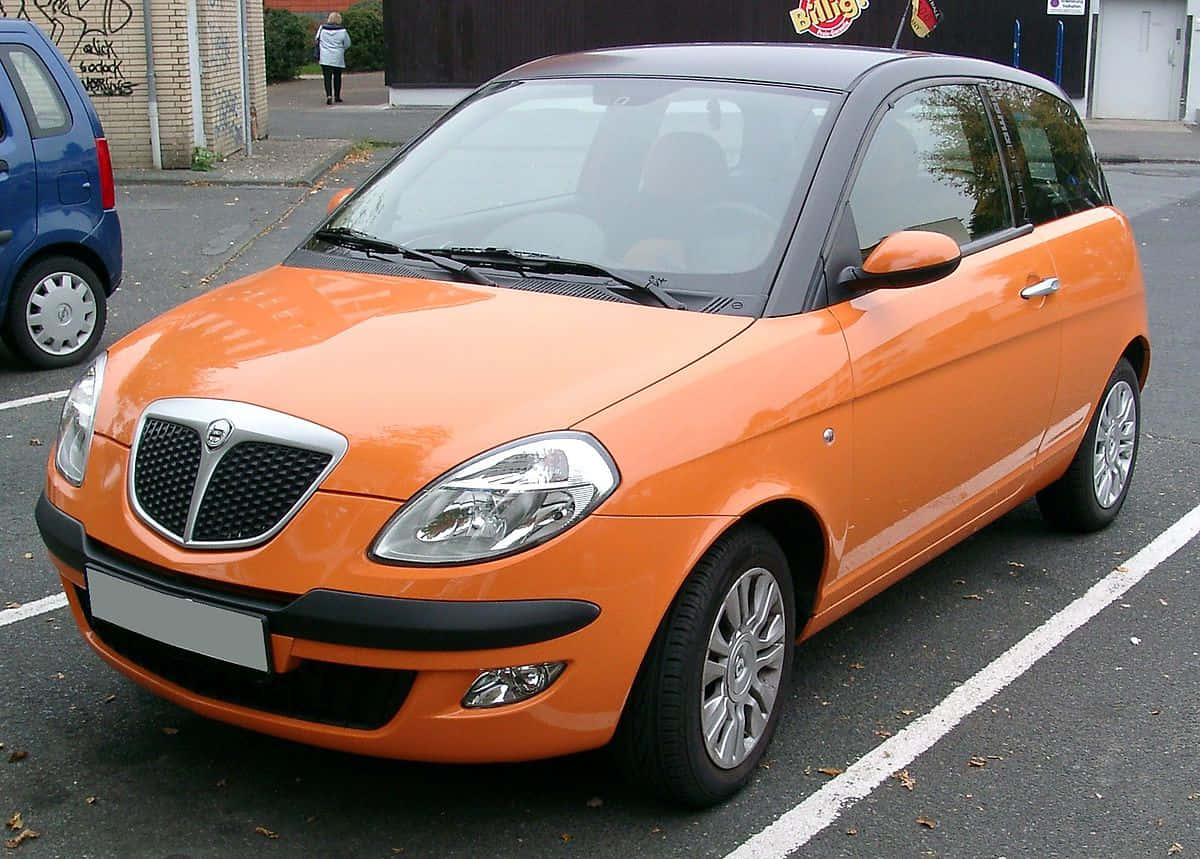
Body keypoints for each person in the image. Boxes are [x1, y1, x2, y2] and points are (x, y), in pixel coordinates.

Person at [314, 12, 351, 106]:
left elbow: (317, 39)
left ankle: (329, 96)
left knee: (327, 77)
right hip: (337, 57)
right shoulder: (342, 31)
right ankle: (337, 96)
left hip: (325, 57)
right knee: (337, 77)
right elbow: (347, 44)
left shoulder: (322, 28)